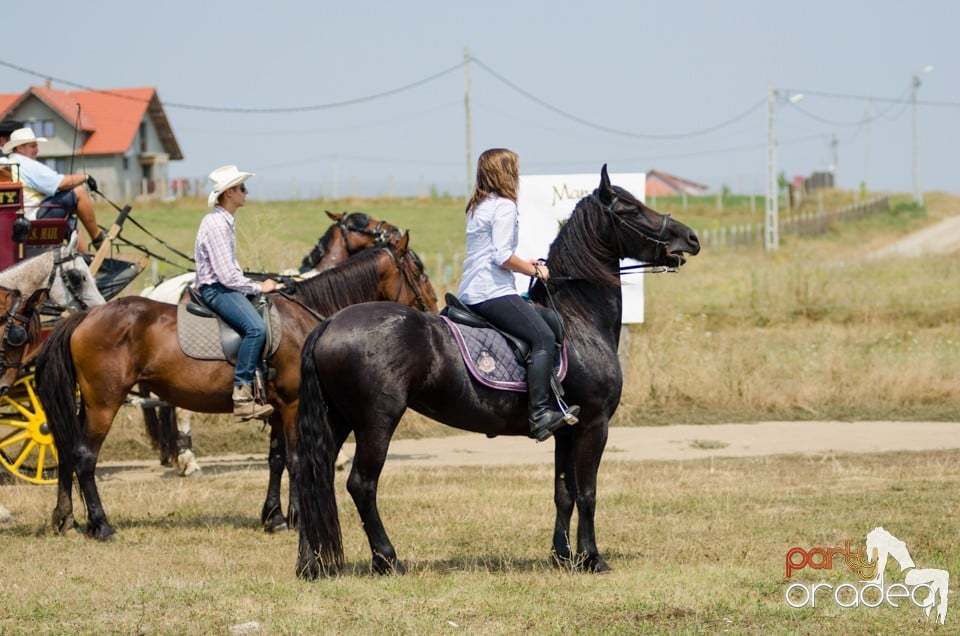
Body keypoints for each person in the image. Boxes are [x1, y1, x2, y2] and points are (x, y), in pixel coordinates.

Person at [457, 148, 579, 442]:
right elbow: (502, 256)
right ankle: (539, 415)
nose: (519, 176)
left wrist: (527, 263)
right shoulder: (504, 206)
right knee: (543, 338)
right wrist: (533, 271)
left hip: (471, 290)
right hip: (491, 291)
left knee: (548, 320)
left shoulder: (479, 205)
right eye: (516, 169)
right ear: (506, 173)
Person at [194, 165, 278, 422]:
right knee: (256, 329)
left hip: (223, 285)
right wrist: (258, 287)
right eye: (242, 188)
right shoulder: (218, 224)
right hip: (216, 290)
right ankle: (241, 394)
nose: (246, 191)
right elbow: (227, 276)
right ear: (229, 192)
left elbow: (231, 270)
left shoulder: (223, 221)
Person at [2, 127, 104, 252]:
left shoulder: (9, 163)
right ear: (20, 148)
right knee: (79, 191)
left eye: (36, 146)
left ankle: (85, 259)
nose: (37, 150)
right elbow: (60, 183)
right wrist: (85, 177)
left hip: (20, 219)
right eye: (33, 146)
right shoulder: (25, 163)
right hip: (33, 218)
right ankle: (98, 238)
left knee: (70, 221)